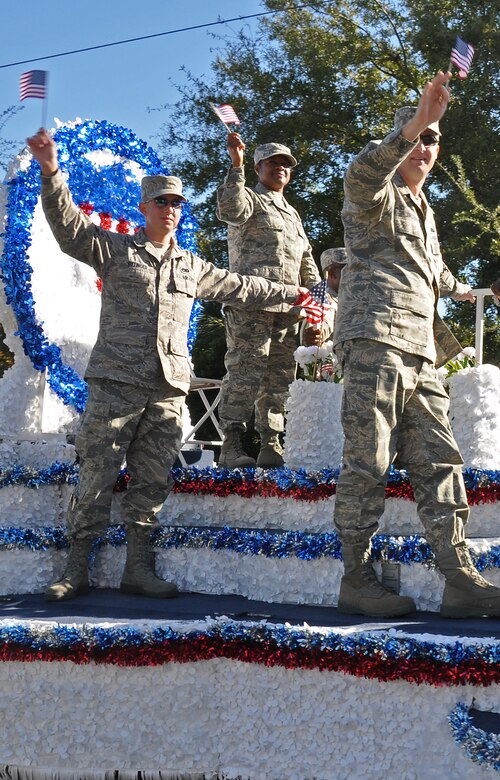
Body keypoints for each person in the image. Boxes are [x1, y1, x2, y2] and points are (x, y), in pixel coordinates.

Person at [27, 128, 308, 602]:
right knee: (97, 475)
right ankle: (75, 569)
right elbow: (68, 227)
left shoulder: (191, 266)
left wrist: (297, 294)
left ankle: (139, 568)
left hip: (167, 390)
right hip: (117, 384)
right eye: (162, 202)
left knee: (154, 481)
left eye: (177, 203)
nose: (170, 209)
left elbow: (243, 286)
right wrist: (51, 171)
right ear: (144, 207)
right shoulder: (115, 250)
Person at [333, 71, 500, 619]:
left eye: (433, 140)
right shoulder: (374, 194)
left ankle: (459, 580)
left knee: (441, 461)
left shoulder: (424, 211)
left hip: (421, 350)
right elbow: (363, 171)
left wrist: (476, 291)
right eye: (418, 139)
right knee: (368, 461)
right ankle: (356, 579)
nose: (425, 148)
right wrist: (416, 122)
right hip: (375, 342)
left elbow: (437, 275)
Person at [216, 134, 321, 469]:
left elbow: (306, 260)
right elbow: (230, 210)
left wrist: (319, 303)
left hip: (288, 310)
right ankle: (231, 443)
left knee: (279, 379)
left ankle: (270, 442)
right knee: (244, 372)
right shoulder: (248, 197)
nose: (280, 168)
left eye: (285, 164)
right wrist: (236, 165)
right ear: (258, 167)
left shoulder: (292, 214)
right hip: (252, 304)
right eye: (273, 163)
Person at [301, 248, 347, 347]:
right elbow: (324, 320)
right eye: (348, 269)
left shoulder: (348, 299)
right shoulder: (325, 300)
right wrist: (318, 334)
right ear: (332, 274)